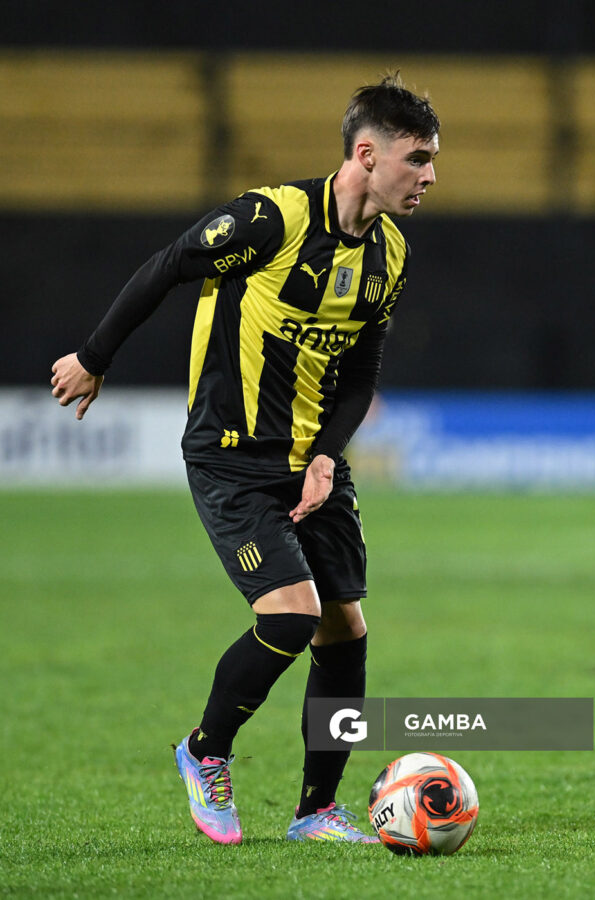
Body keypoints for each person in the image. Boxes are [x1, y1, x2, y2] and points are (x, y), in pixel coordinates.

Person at [51, 72, 439, 845]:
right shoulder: (272, 219)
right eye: (418, 159)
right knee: (291, 615)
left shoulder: (389, 255)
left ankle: (315, 812)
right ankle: (205, 750)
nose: (430, 176)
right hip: (231, 455)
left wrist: (326, 458)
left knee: (345, 630)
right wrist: (94, 356)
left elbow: (361, 373)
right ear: (367, 155)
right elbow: (169, 265)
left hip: (310, 463)